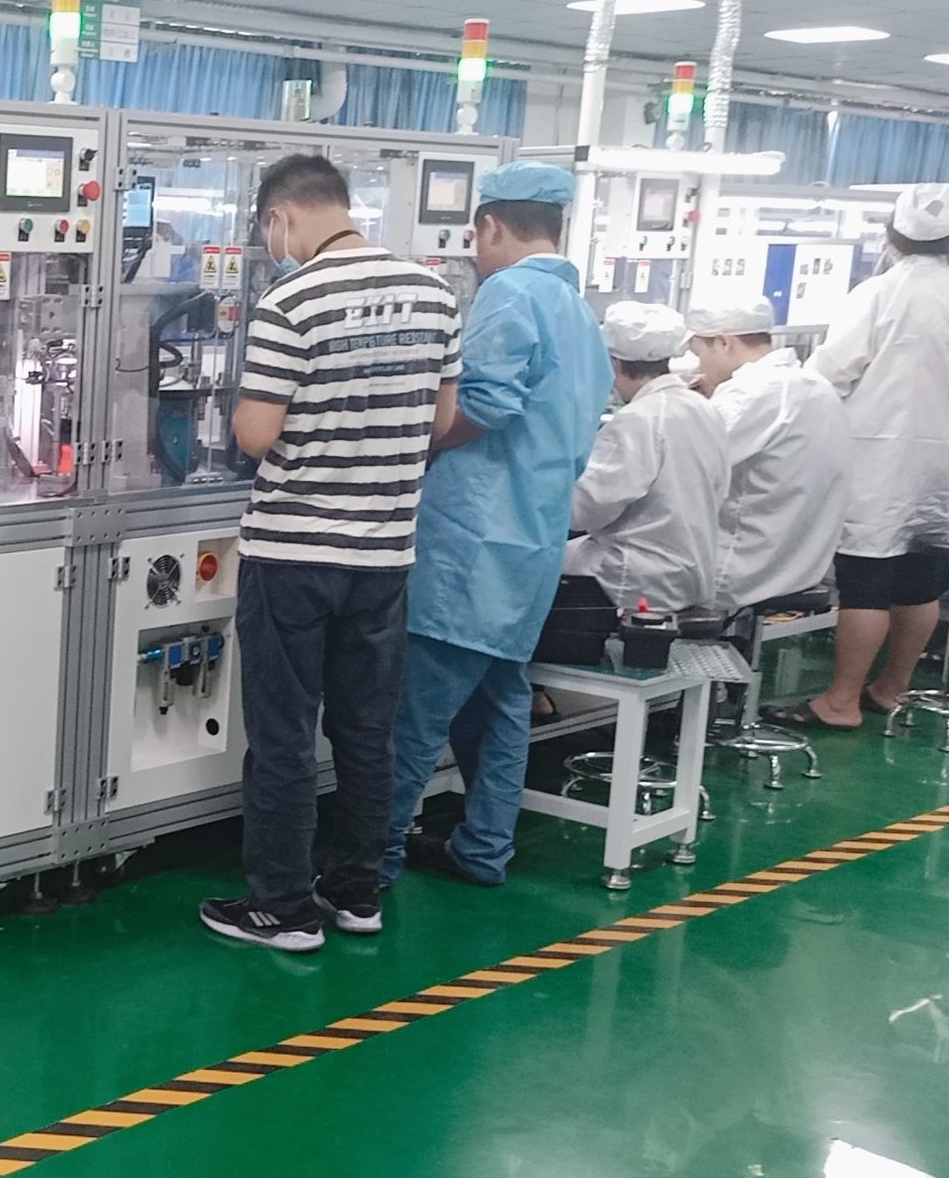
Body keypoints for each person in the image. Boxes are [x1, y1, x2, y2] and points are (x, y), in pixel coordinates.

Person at [197, 155, 461, 952]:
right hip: (384, 554)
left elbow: (255, 434)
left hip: (294, 552)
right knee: (366, 733)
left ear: (280, 218)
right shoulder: (433, 292)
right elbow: (442, 421)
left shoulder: (292, 301)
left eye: (267, 232)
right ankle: (356, 892)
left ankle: (282, 906)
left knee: (283, 735)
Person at [380, 161, 613, 888]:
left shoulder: (510, 292)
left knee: (414, 716)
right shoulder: (580, 313)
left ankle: (370, 863)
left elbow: (482, 404)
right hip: (531, 541)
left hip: (470, 542)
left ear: (490, 226)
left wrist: (410, 445)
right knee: (501, 701)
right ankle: (483, 850)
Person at [774, 185, 949, 730]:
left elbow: (829, 374)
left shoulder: (879, 293)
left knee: (866, 582)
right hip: (939, 459)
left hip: (877, 460)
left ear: (890, 237)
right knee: (920, 577)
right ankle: (892, 687)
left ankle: (841, 701)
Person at [684, 297, 853, 611]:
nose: (698, 368)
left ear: (723, 342)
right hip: (798, 564)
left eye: (699, 353)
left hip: (739, 569)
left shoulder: (750, 393)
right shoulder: (814, 385)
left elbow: (680, 465)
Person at [562, 302, 729, 612]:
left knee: (529, 567)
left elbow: (583, 511)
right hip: (693, 571)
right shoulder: (703, 408)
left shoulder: (639, 419)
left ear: (613, 364)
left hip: (636, 577)